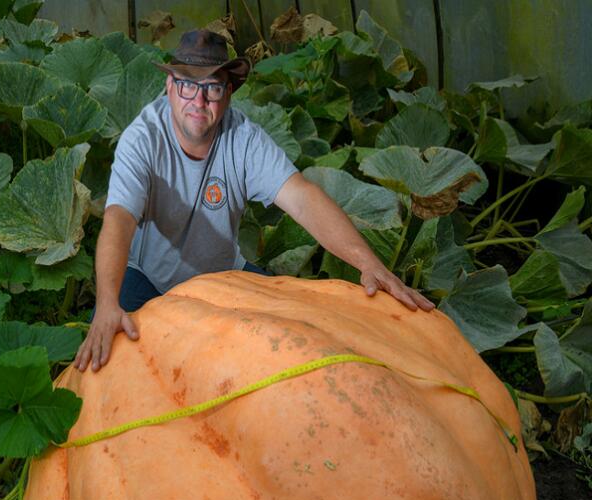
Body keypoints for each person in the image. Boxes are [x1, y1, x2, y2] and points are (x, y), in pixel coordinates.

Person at [74, 29, 434, 373]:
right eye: (187, 85)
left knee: (302, 334)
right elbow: (119, 219)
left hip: (224, 277)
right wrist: (107, 302)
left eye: (212, 89)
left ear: (229, 93)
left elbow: (303, 198)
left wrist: (367, 262)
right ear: (169, 86)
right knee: (109, 363)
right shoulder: (143, 139)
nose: (197, 101)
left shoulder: (244, 138)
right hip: (148, 280)